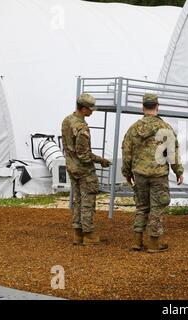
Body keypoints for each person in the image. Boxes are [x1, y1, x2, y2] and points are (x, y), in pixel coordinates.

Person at [122, 93, 184, 253]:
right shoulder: (165, 128)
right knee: (157, 207)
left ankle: (137, 241)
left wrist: (127, 172)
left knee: (142, 206)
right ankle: (154, 243)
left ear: (143, 107)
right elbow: (173, 153)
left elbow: (126, 152)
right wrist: (178, 171)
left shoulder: (133, 128)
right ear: (157, 106)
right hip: (158, 174)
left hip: (140, 174)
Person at [61, 93, 112, 246]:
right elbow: (83, 155)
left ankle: (77, 234)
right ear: (83, 109)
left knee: (78, 200)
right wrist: (101, 160)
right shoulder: (81, 127)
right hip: (84, 170)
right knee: (88, 202)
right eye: (90, 109)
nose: (92, 111)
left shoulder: (67, 120)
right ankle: (88, 235)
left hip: (71, 167)